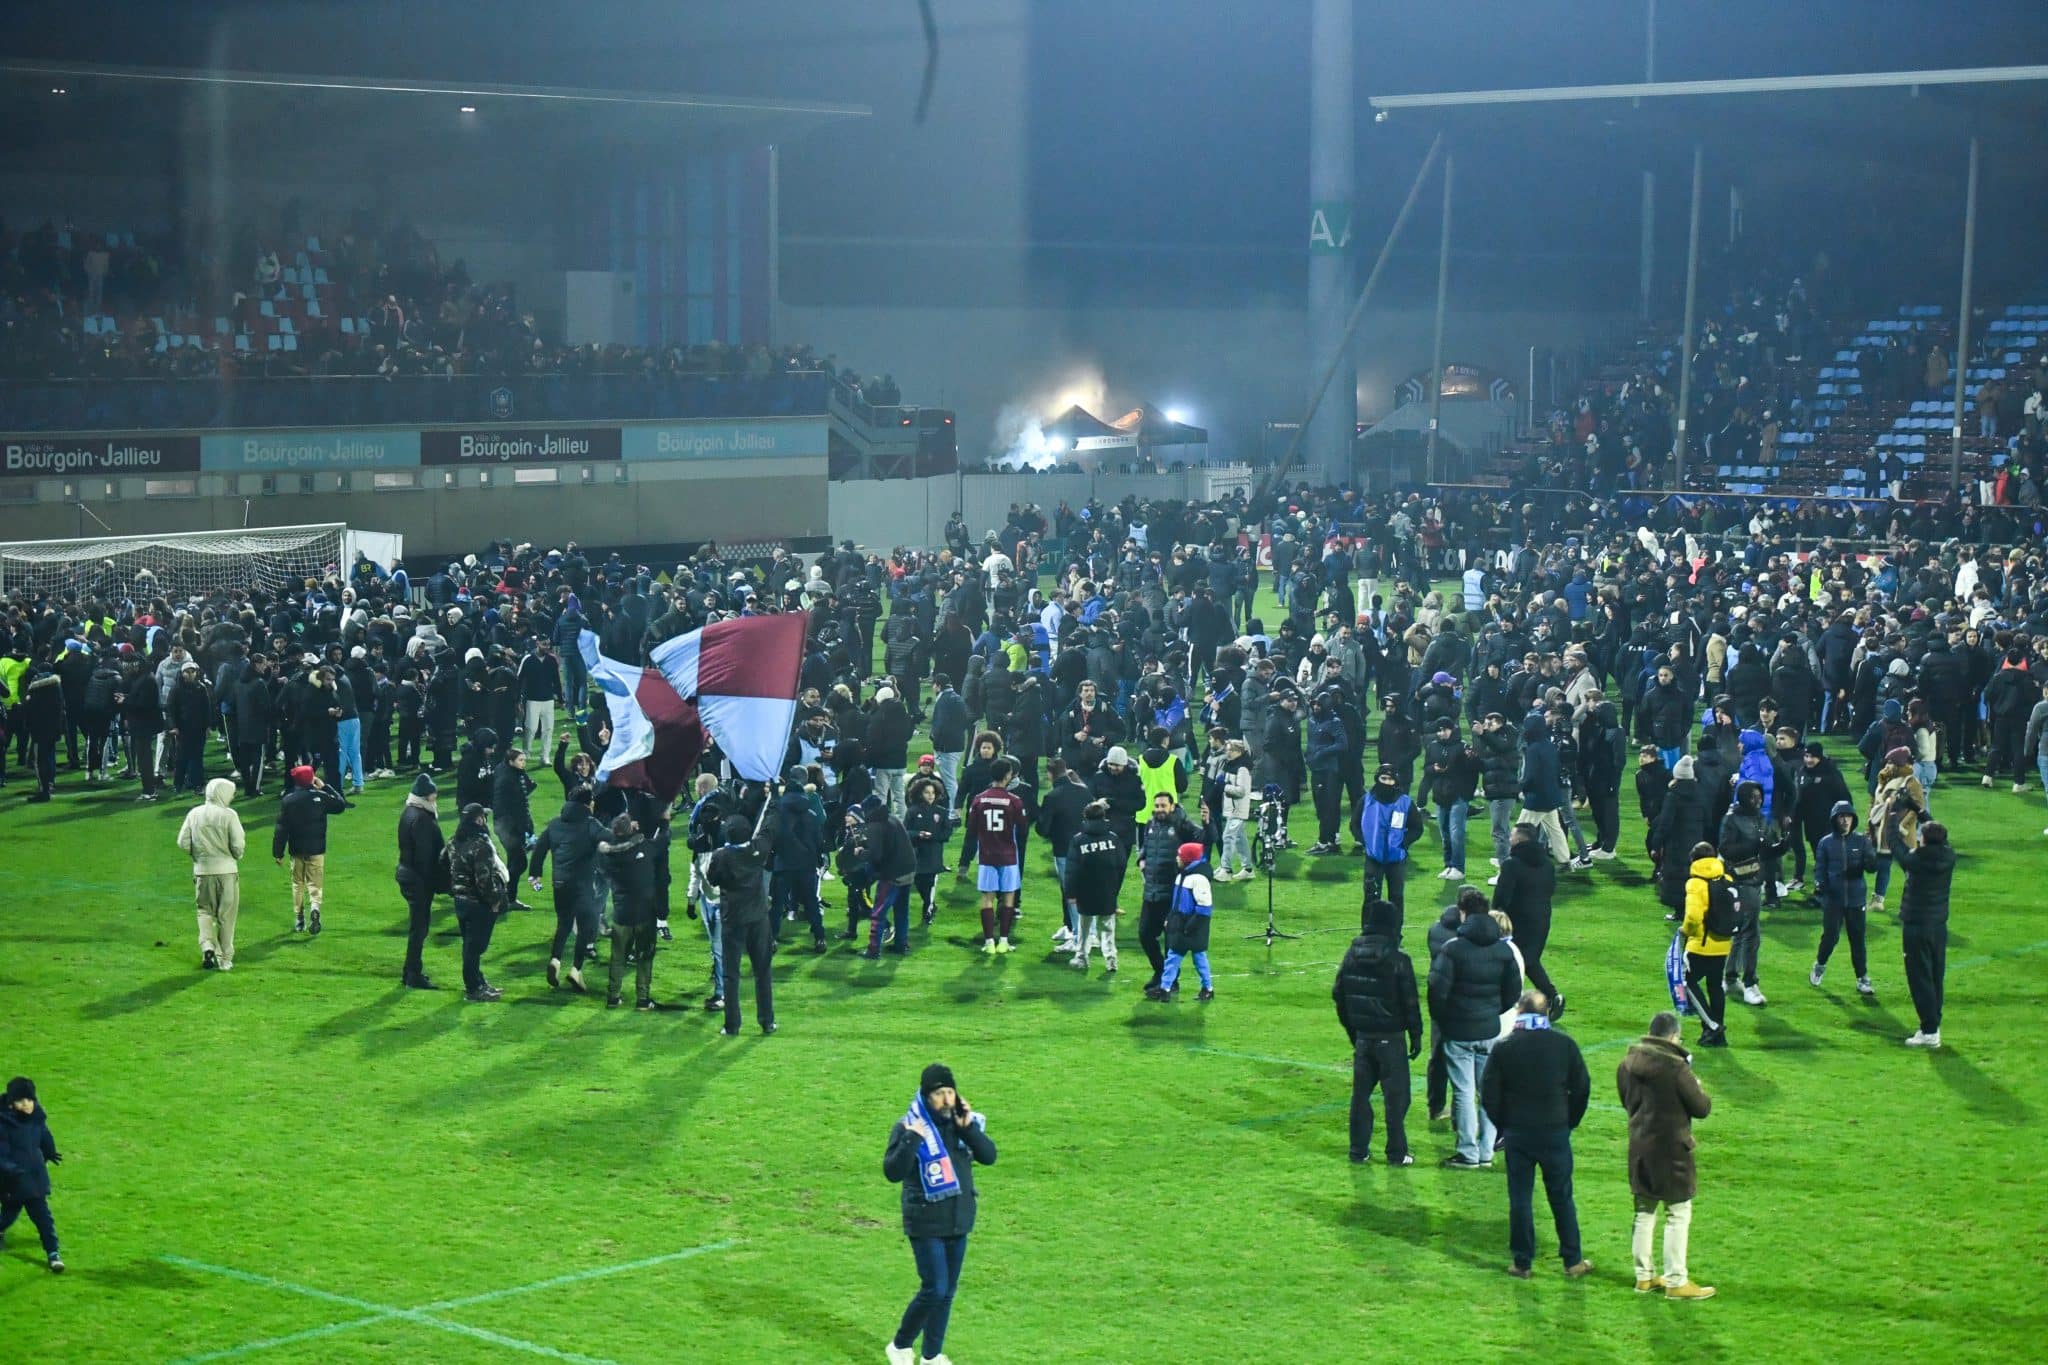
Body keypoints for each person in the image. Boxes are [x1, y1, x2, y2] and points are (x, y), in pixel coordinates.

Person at [883, 1063, 996, 1365]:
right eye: (938, 1094)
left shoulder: (961, 1125)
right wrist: (912, 1139)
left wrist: (969, 1129)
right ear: (926, 1096)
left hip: (958, 1221)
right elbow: (893, 1171)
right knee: (934, 1289)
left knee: (947, 1293)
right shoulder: (908, 1126)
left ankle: (931, 1356)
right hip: (925, 1222)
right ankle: (900, 1345)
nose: (946, 1100)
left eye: (949, 1092)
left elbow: (989, 1156)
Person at [1482, 990, 1593, 1279]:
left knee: (1520, 1197)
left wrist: (1505, 1125)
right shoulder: (1564, 1045)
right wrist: (1569, 1121)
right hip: (1554, 1132)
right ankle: (1572, 1261)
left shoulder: (1504, 1047)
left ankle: (1522, 1263)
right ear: (1546, 1014)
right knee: (1561, 1196)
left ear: (1520, 1012)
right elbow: (1582, 1088)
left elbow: (1488, 1093)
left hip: (1519, 1134)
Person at [1617, 1012, 1717, 1299]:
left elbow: (1626, 1101)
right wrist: (1697, 1085)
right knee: (1678, 1213)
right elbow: (1702, 1107)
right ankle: (1676, 1280)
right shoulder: (1676, 1068)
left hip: (1639, 1146)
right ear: (1673, 1037)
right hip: (1672, 1150)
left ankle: (1644, 1277)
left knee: (1644, 1210)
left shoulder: (1627, 1063)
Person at [1430, 887, 1522, 1168]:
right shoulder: (1503, 950)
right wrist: (1492, 1012)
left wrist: (1446, 1019)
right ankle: (1486, 1152)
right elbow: (1513, 991)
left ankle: (1468, 1153)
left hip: (1459, 1032)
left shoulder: (1453, 949)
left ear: (1463, 912)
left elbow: (1437, 991)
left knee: (1464, 1091)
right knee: (1488, 1092)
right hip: (1489, 1030)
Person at [1333, 898, 1423, 1165]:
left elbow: (1339, 994)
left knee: (1360, 1097)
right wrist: (1415, 1035)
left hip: (1364, 1039)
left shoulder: (1351, 954)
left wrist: (1354, 1032)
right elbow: (1410, 1002)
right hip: (1391, 1040)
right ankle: (1397, 1153)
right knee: (1397, 1100)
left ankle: (1358, 1150)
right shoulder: (1398, 959)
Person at [707, 795, 780, 1036]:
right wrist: (773, 799)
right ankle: (767, 1021)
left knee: (731, 975)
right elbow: (769, 827)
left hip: (733, 920)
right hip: (758, 919)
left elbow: (712, 879)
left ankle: (732, 1025)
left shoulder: (721, 856)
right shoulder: (757, 850)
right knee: (763, 972)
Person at [531, 785, 604, 993]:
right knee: (585, 927)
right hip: (583, 885)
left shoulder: (555, 824)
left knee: (564, 923)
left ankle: (555, 960)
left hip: (560, 883)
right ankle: (576, 970)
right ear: (588, 803)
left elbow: (539, 849)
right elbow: (608, 837)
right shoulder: (590, 824)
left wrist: (535, 873)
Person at [1894, 820, 1955, 1048]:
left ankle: (1929, 1031)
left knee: (1920, 978)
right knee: (1935, 976)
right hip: (1938, 926)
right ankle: (1933, 1026)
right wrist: (1918, 809)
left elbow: (1895, 845)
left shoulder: (1916, 859)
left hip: (1917, 927)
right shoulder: (1949, 856)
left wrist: (1892, 816)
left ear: (1924, 839)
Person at [176, 777, 247, 972]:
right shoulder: (229, 815)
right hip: (227, 872)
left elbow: (182, 842)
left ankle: (207, 946)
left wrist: (198, 857)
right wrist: (235, 856)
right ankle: (224, 959)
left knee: (204, 911)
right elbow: (238, 845)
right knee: (226, 916)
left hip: (203, 872)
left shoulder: (194, 814)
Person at [1493, 822, 1561, 1016]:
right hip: (1542, 919)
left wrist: (1496, 917)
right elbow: (1551, 889)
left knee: (1512, 961)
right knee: (1529, 960)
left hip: (1516, 922)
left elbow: (1502, 897)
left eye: (1512, 835)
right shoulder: (1547, 864)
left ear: (1519, 839)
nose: (1509, 838)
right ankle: (1551, 997)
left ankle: (1509, 1004)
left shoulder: (1511, 864)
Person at [444, 801, 509, 1001]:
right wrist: (495, 901)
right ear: (479, 820)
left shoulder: (453, 841)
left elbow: (443, 864)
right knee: (474, 949)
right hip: (478, 904)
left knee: (469, 946)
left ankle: (479, 982)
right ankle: (473, 989)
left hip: (460, 901)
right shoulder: (481, 845)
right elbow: (484, 880)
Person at [271, 765, 346, 935]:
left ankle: (299, 919)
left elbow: (281, 829)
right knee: (315, 883)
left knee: (298, 883)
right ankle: (315, 908)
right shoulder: (321, 797)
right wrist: (325, 787)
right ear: (312, 778)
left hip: (296, 850)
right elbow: (341, 805)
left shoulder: (289, 800)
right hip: (316, 850)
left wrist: (278, 853)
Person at [0, 1077, 63, 1274]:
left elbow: (44, 1135)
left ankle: (53, 1254)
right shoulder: (3, 1125)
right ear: (12, 1103)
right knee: (8, 1216)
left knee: (44, 1220)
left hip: (34, 1180)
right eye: (21, 1100)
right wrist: (12, 1170)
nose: (27, 1104)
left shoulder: (37, 1118)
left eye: (29, 1099)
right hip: (13, 1183)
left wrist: (50, 1151)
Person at [1810, 799, 1874, 995]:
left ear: (1853, 819)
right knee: (1830, 937)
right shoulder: (1826, 843)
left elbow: (1871, 868)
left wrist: (1872, 857)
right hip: (1834, 899)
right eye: (1841, 817)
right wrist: (1820, 885)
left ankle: (1862, 978)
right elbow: (1819, 869)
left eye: (1848, 817)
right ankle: (1820, 964)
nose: (1845, 820)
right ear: (1835, 820)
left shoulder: (1862, 841)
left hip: (1856, 899)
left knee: (1858, 940)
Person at [1717, 780, 1771, 1007]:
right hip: (1740, 880)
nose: (1757, 801)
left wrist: (1778, 847)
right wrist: (1754, 846)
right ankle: (1749, 983)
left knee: (1742, 932)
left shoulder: (1760, 818)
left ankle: (1730, 977)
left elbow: (1764, 848)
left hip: (1755, 879)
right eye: (1752, 797)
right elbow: (1725, 849)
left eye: (1759, 796)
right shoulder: (1732, 819)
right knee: (1751, 933)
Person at [966, 759, 1028, 955]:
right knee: (1008, 898)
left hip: (987, 856)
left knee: (987, 898)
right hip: (1008, 856)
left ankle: (989, 942)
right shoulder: (1014, 801)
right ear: (1008, 775)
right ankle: (1003, 941)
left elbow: (971, 829)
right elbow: (1023, 828)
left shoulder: (979, 799)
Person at [600, 813, 660, 1010]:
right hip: (645, 913)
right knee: (644, 957)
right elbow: (659, 844)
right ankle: (643, 999)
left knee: (618, 958)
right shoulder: (645, 847)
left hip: (621, 913)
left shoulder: (607, 855)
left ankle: (613, 997)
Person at [1680, 842, 1735, 1047]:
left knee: (1685, 982)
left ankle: (1712, 1026)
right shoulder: (1726, 879)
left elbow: (1693, 917)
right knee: (1715, 986)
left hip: (1701, 945)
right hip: (1723, 943)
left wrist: (1685, 931)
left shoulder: (1695, 883)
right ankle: (1717, 1037)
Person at [395, 772, 446, 989]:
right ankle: (413, 974)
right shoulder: (423, 818)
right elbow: (425, 857)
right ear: (426, 796)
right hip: (417, 878)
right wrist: (439, 882)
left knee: (419, 926)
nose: (435, 799)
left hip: (407, 873)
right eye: (433, 795)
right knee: (419, 928)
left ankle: (409, 972)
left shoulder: (409, 812)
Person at [1148, 842, 1216, 1002]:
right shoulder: (1182, 876)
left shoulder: (1199, 879)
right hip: (1180, 923)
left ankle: (1207, 988)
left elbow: (1204, 907)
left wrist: (1190, 926)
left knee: (1199, 959)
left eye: (1180, 856)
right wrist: (1170, 919)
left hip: (1194, 925)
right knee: (1173, 957)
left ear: (1188, 859)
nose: (1177, 858)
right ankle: (1165, 989)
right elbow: (1176, 903)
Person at [1063, 799, 1126, 972]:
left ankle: (1081, 957)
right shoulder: (1113, 839)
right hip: (1107, 889)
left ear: (1085, 818)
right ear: (1104, 817)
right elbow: (1121, 864)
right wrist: (1115, 888)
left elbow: (1071, 870)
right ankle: (1111, 960)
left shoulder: (1078, 840)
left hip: (1086, 890)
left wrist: (1070, 893)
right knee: (1108, 926)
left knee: (1084, 926)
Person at [1359, 764, 1420, 916]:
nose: (1387, 782)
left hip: (1396, 858)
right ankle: (1369, 929)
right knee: (1371, 896)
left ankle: (1395, 930)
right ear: (1377, 779)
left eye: (1390, 779)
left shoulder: (1405, 802)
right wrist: (1366, 842)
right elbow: (1354, 824)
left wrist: (1404, 843)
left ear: (1396, 781)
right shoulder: (1366, 800)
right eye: (1384, 778)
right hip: (1373, 857)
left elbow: (1417, 828)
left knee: (1396, 897)